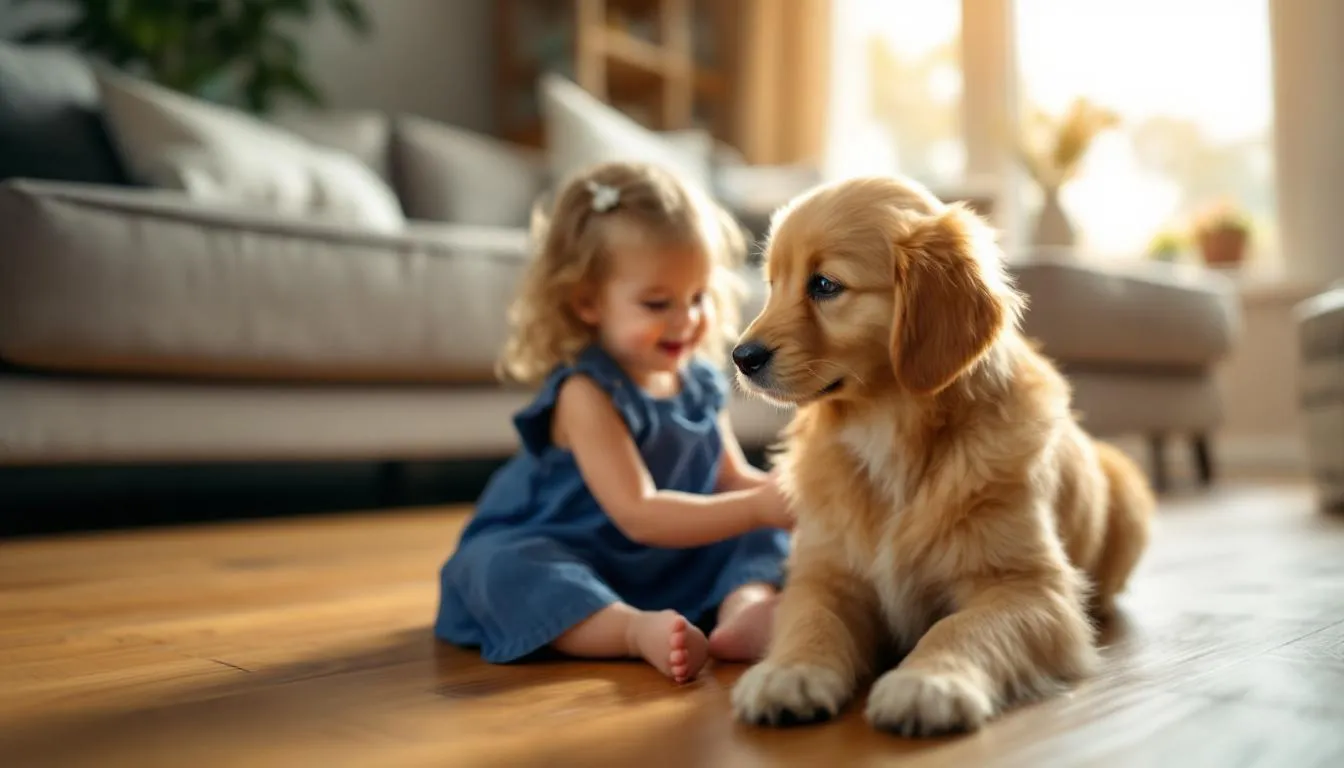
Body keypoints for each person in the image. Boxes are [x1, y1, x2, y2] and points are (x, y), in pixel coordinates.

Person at [434, 161, 793, 683]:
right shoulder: (586, 391)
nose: (686, 320)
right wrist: (758, 506)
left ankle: (744, 613)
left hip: (670, 556)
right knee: (502, 568)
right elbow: (639, 513)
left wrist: (789, 498)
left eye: (696, 298)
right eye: (656, 303)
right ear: (586, 302)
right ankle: (629, 630)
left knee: (762, 534)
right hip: (577, 552)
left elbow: (730, 479)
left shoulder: (695, 381)